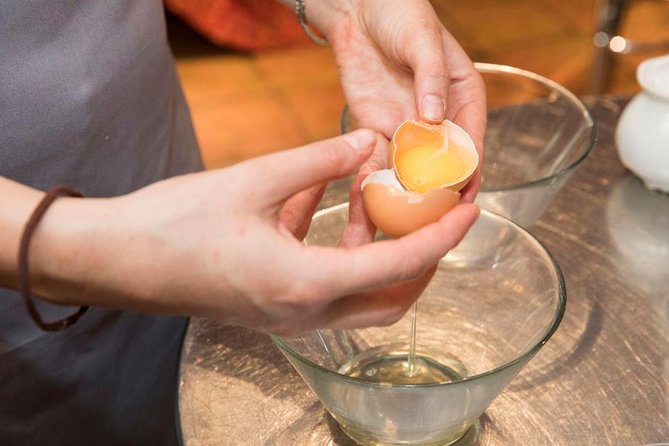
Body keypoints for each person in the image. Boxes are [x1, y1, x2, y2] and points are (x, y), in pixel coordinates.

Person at [0, 0, 486, 444]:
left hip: (160, 166)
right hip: (16, 301)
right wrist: (88, 252)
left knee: (181, 391)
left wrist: (349, 7)